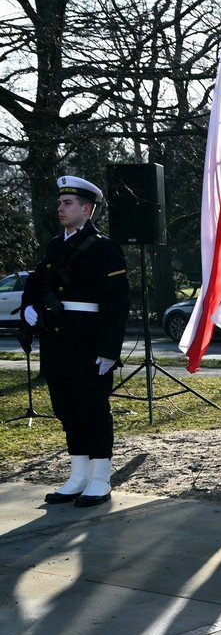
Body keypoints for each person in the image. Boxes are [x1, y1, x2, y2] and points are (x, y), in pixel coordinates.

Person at [20, 175, 130, 508]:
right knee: (66, 410)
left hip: (88, 344)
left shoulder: (105, 249)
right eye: (59, 203)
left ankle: (100, 479)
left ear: (87, 208)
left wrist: (109, 350)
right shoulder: (55, 245)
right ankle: (78, 476)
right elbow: (37, 284)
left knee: (93, 410)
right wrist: (29, 308)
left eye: (67, 203)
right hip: (58, 343)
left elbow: (116, 304)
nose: (60, 208)